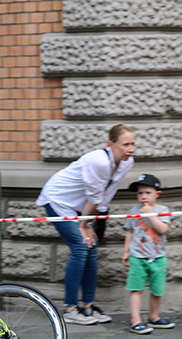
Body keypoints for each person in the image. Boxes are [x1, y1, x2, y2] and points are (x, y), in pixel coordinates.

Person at [36, 124, 136, 325]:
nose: (131, 149)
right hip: (58, 200)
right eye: (126, 144)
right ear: (111, 144)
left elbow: (105, 197)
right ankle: (71, 309)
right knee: (80, 247)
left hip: (80, 208)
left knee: (91, 246)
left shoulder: (126, 162)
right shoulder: (99, 161)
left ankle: (88, 306)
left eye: (133, 144)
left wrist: (88, 223)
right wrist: (84, 225)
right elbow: (94, 196)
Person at [121, 174, 174, 334]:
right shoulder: (133, 211)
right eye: (139, 193)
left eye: (147, 192)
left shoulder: (163, 210)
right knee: (136, 289)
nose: (143, 196)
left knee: (157, 290)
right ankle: (135, 321)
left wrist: (149, 213)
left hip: (158, 257)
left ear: (157, 194)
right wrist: (126, 251)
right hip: (138, 257)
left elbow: (163, 229)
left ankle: (154, 317)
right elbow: (130, 232)